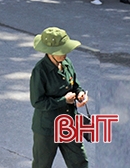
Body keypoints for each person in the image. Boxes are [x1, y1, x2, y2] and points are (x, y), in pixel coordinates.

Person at [29, 27, 89, 168]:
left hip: (69, 123)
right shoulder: (40, 71)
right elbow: (37, 102)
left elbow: (75, 85)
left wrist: (81, 94)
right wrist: (64, 100)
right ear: (50, 52)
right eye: (62, 51)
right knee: (42, 164)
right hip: (47, 127)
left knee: (80, 161)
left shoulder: (67, 64)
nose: (66, 53)